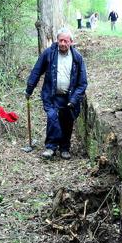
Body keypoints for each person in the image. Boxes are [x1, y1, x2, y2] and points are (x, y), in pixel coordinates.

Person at [25, 28, 88, 160]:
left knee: (67, 121)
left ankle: (65, 148)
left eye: (66, 41)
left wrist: (75, 99)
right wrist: (29, 88)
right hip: (51, 95)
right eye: (61, 40)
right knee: (53, 118)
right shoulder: (49, 54)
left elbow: (82, 83)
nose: (63, 43)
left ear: (71, 42)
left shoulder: (77, 58)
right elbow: (37, 71)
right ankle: (50, 147)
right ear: (57, 40)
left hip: (69, 97)